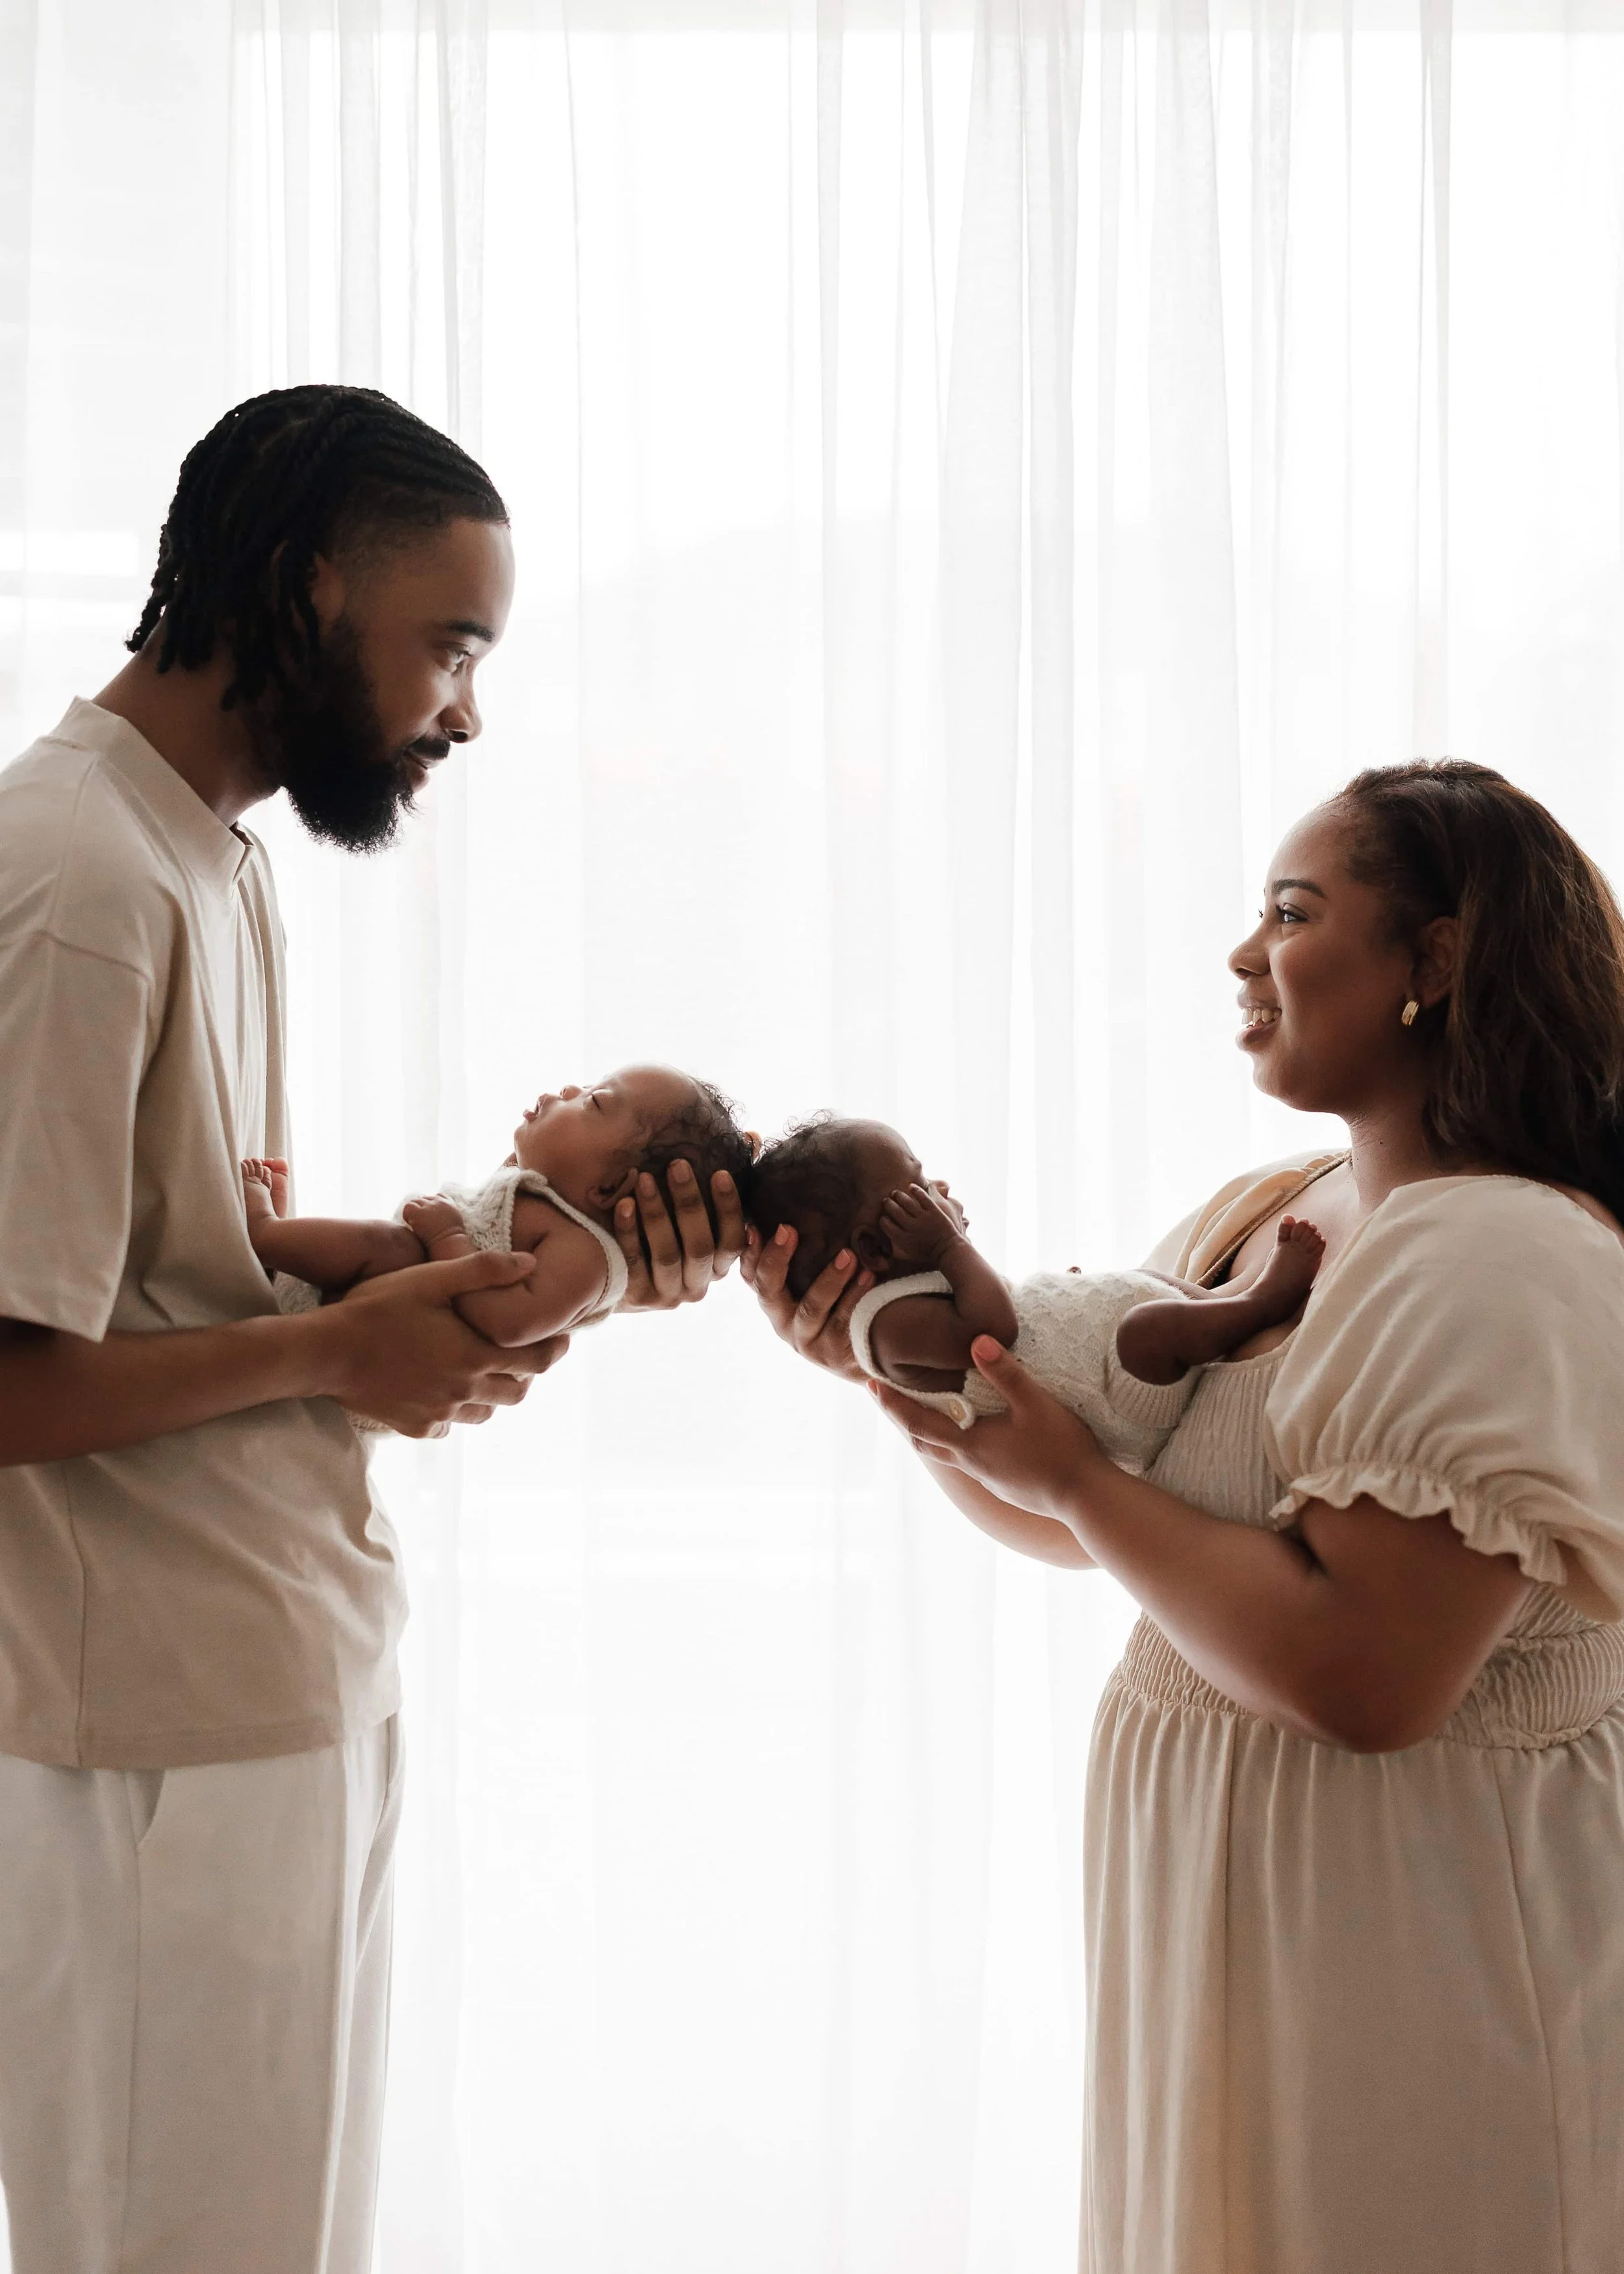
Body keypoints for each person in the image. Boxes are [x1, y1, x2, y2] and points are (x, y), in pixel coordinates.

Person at [0, 386, 744, 2274]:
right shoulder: (79, 882)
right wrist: (346, 1350)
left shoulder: (202, 853)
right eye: (453, 645)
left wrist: (436, 1269)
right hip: (150, 1733)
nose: (466, 712)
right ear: (313, 585)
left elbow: (182, 1247)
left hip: (275, 1672)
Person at [749, 760, 1624, 2274]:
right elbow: (1121, 1542)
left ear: (1434, 962)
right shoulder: (1272, 1209)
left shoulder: (1494, 1251)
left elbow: (1368, 1677)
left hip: (1413, 1931)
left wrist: (1074, 1482)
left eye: (1292, 912)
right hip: (1243, 1921)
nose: (1240, 955)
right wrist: (910, 1396)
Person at [748, 1111, 1324, 1453]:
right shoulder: (890, 1328)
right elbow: (992, 1329)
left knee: (1150, 1287)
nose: (942, 1187)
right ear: (877, 1246)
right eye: (921, 1187)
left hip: (1109, 1365)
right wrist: (950, 1245)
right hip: (1124, 1401)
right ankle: (1258, 1302)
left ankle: (1220, 1301)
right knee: (1151, 1325)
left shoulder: (920, 1293)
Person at [247, 1065, 754, 1351]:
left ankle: (265, 1233)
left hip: (381, 1345)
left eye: (595, 1101)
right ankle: (276, 1257)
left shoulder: (587, 1257)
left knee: (386, 1247)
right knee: (379, 1245)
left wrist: (448, 1239)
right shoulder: (548, 1206)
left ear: (610, 1188)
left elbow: (507, 1323)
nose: (571, 1090)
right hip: (358, 1317)